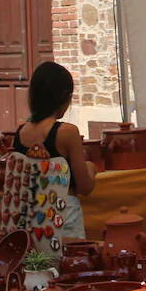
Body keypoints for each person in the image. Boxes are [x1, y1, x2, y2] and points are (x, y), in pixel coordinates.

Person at [11, 61, 96, 196]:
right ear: (64, 97)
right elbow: (84, 187)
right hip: (64, 214)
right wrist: (91, 168)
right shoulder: (68, 132)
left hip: (31, 215)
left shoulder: (20, 133)